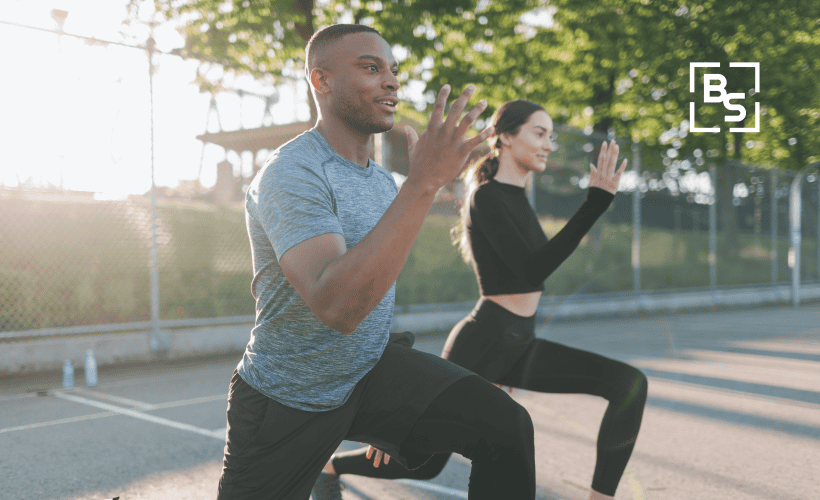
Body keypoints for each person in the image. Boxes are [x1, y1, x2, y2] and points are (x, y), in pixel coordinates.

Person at [217, 24, 540, 500]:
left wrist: (403, 407)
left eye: (393, 70)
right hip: (287, 397)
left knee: (504, 424)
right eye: (371, 68)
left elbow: (375, 287)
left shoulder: (383, 183)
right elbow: (338, 307)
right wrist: (423, 183)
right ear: (321, 81)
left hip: (367, 375)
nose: (391, 81)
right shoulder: (292, 173)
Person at [321, 100, 648, 500]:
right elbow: (531, 272)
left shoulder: (517, 197)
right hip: (484, 341)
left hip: (520, 342)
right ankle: (330, 465)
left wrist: (595, 203)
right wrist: (593, 203)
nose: (548, 144)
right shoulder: (487, 197)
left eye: (551, 136)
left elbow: (534, 269)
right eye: (539, 133)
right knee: (426, 460)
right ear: (506, 137)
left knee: (629, 384)